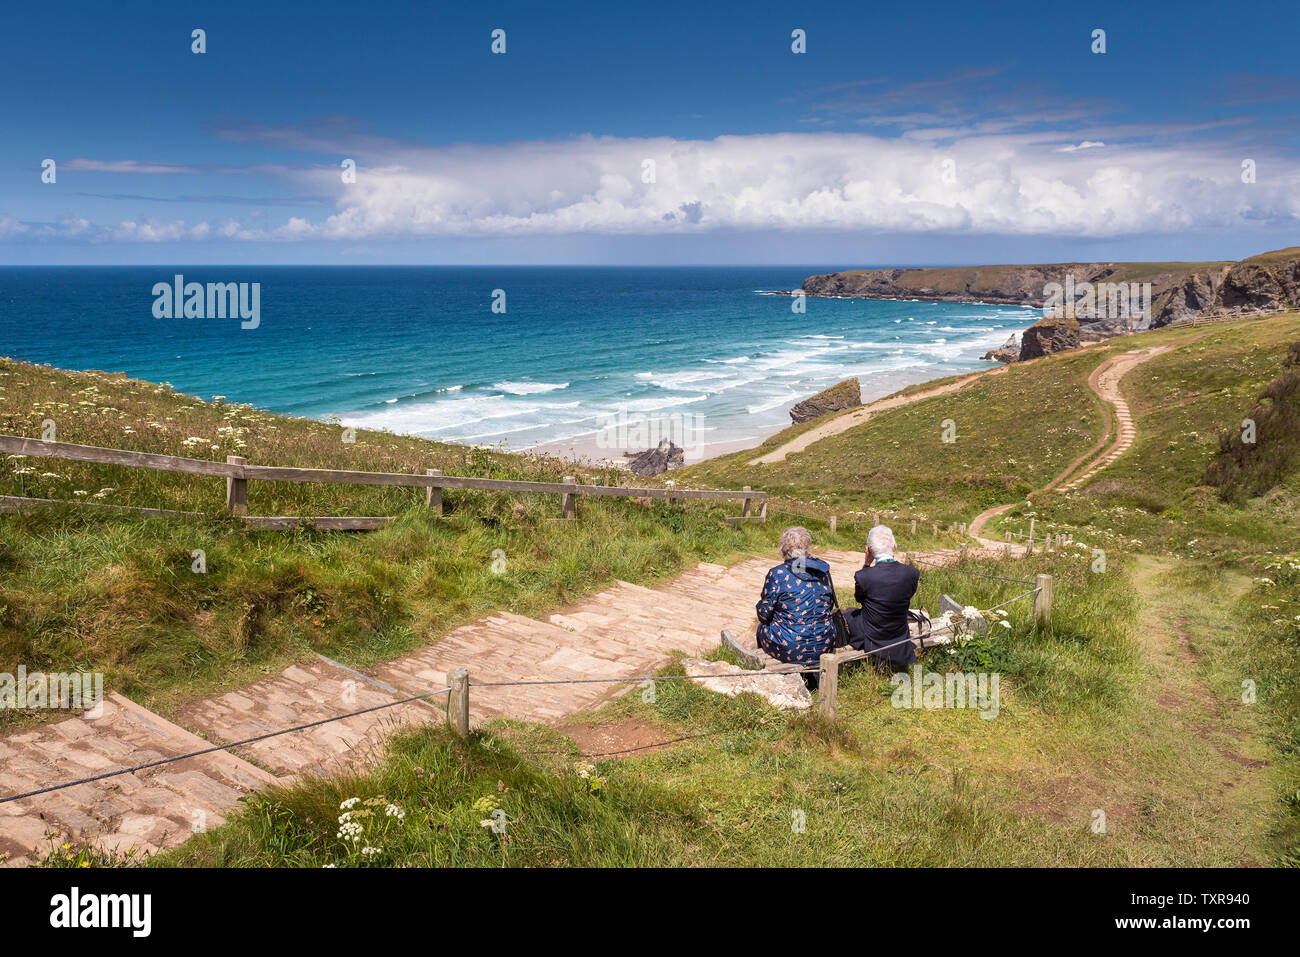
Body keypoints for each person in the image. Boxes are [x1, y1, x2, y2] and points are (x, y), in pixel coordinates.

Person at [748, 526, 836, 688]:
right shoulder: (822, 570)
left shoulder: (777, 574)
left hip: (790, 647)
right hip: (824, 643)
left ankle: (778, 680)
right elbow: (829, 606)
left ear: (783, 549)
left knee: (761, 628)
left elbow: (764, 615)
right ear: (808, 548)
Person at [847, 525, 920, 668]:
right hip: (898, 629)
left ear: (868, 551)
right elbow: (909, 594)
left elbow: (859, 599)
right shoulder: (912, 573)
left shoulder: (863, 576)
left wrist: (867, 564)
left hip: (873, 634)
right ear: (895, 547)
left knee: (847, 614)